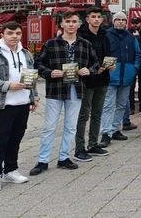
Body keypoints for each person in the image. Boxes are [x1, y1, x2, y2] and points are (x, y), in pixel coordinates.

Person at [31, 11, 99, 176]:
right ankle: (43, 160)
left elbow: (96, 63)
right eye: (67, 21)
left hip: (76, 89)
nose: (70, 24)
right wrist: (49, 72)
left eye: (74, 21)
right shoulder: (51, 44)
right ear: (61, 24)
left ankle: (64, 157)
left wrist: (88, 70)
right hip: (56, 89)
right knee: (49, 127)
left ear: (79, 24)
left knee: (71, 127)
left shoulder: (85, 44)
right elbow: (38, 64)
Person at [0, 22, 39, 193]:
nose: (14, 36)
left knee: (15, 140)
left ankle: (11, 170)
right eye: (10, 33)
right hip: (3, 106)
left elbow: (31, 77)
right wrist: (8, 85)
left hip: (22, 104)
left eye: (18, 33)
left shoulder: (26, 54)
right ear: (3, 35)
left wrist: (34, 97)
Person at [73, 7, 113, 163]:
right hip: (87, 80)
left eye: (99, 17)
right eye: (93, 17)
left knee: (97, 113)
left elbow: (108, 55)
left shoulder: (105, 35)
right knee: (84, 115)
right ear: (87, 19)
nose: (96, 19)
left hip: (103, 79)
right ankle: (79, 148)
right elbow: (79, 59)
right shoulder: (81, 35)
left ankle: (93, 144)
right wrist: (93, 69)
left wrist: (110, 65)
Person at [100, 11, 141, 147]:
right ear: (113, 21)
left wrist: (134, 69)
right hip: (111, 76)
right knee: (108, 105)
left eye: (123, 20)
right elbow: (101, 53)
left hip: (126, 77)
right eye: (118, 19)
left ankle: (115, 129)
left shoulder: (131, 37)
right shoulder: (106, 35)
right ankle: (106, 133)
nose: (121, 22)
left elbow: (137, 55)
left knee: (122, 105)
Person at [128, 16, 141, 117]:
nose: (135, 25)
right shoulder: (128, 32)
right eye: (133, 23)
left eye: (137, 23)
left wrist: (138, 38)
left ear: (140, 23)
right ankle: (131, 108)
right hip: (131, 62)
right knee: (130, 86)